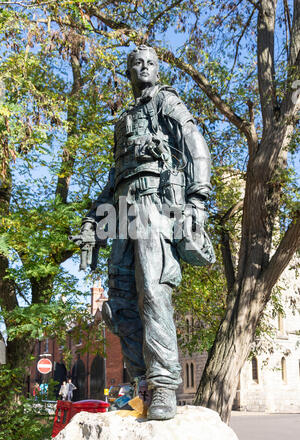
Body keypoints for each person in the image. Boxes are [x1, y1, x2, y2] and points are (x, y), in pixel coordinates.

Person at [71, 45, 213, 420]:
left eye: (151, 62)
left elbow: (195, 143)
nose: (145, 67)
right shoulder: (124, 120)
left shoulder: (166, 101)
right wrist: (92, 222)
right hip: (121, 212)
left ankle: (164, 385)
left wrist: (198, 200)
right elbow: (113, 180)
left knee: (153, 289)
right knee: (120, 301)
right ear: (129, 72)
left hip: (154, 206)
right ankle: (141, 386)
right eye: (138, 64)